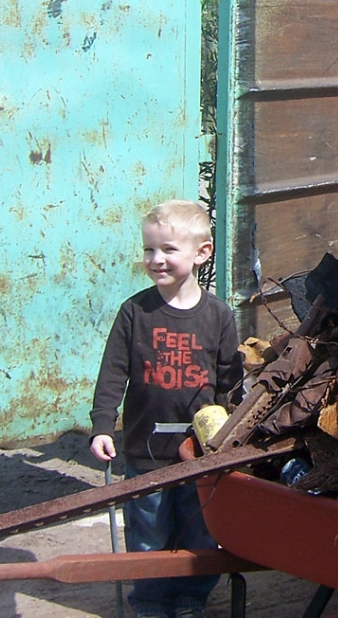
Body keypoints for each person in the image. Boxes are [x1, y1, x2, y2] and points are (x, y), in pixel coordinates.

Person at [89, 199, 242, 618]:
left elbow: (230, 381)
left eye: (169, 249)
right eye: (149, 250)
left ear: (202, 252)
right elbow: (112, 374)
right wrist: (103, 426)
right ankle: (150, 603)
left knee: (199, 531)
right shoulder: (135, 313)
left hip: (200, 455)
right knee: (148, 533)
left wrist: (231, 437)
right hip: (145, 451)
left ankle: (192, 597)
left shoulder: (219, 316)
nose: (156, 260)